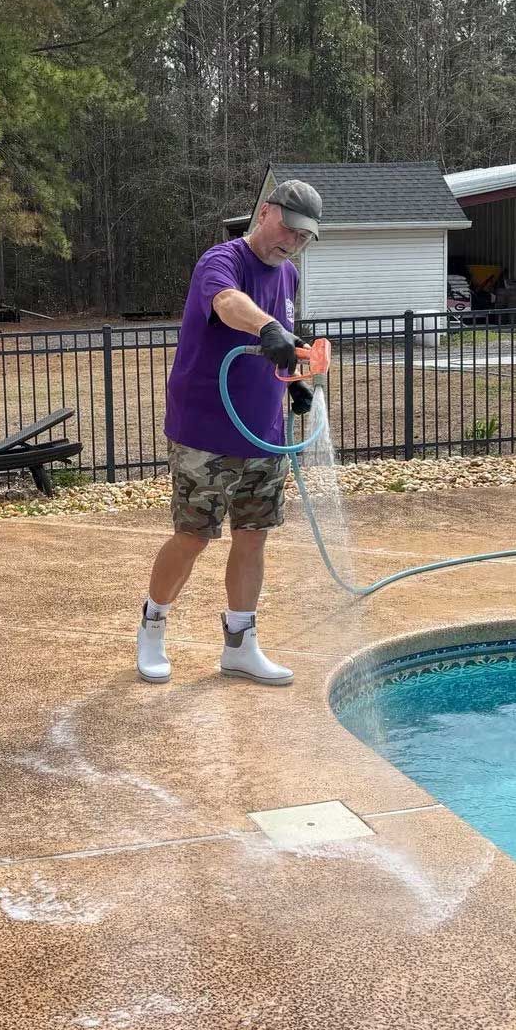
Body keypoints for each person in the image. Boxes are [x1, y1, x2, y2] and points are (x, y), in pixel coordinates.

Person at [137, 179, 323, 685]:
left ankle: (240, 645)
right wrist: (267, 328)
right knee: (194, 535)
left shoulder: (288, 276)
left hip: (263, 432)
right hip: (205, 429)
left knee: (253, 536)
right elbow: (227, 304)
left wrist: (296, 382)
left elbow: (282, 337)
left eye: (304, 238)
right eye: (289, 228)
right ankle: (153, 625)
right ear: (265, 212)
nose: (293, 242)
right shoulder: (222, 260)